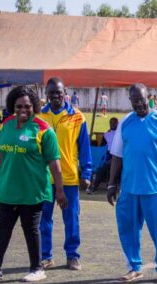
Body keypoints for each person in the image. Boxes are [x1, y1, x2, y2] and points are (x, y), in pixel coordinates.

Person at [0, 85, 67, 283]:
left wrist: (59, 191)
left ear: (34, 106)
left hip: (32, 190)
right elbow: (2, 153)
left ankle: (37, 268)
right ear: (12, 107)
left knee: (31, 229)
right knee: (2, 228)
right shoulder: (6, 125)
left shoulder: (43, 130)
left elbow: (54, 163)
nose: (23, 109)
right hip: (8, 189)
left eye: (27, 106)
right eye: (18, 106)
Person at [107, 83, 157, 284]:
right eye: (135, 100)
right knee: (128, 228)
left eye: (142, 99)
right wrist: (112, 185)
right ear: (130, 101)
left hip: (155, 187)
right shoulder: (125, 123)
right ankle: (134, 267)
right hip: (129, 188)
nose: (139, 104)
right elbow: (117, 156)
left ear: (150, 97)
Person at [39, 77, 93, 272]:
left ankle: (72, 256)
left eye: (59, 93)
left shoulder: (77, 117)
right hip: (44, 178)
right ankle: (46, 256)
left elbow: (85, 148)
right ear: (46, 94)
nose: (55, 96)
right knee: (44, 219)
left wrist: (86, 173)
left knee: (71, 219)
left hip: (69, 178)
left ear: (65, 94)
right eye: (51, 93)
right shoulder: (38, 116)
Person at [89, 116, 119, 194]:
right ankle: (94, 187)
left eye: (114, 123)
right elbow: (102, 146)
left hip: (119, 156)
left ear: (118, 124)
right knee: (102, 168)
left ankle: (96, 187)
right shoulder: (106, 135)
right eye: (111, 123)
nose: (112, 125)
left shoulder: (121, 133)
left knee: (106, 167)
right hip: (110, 155)